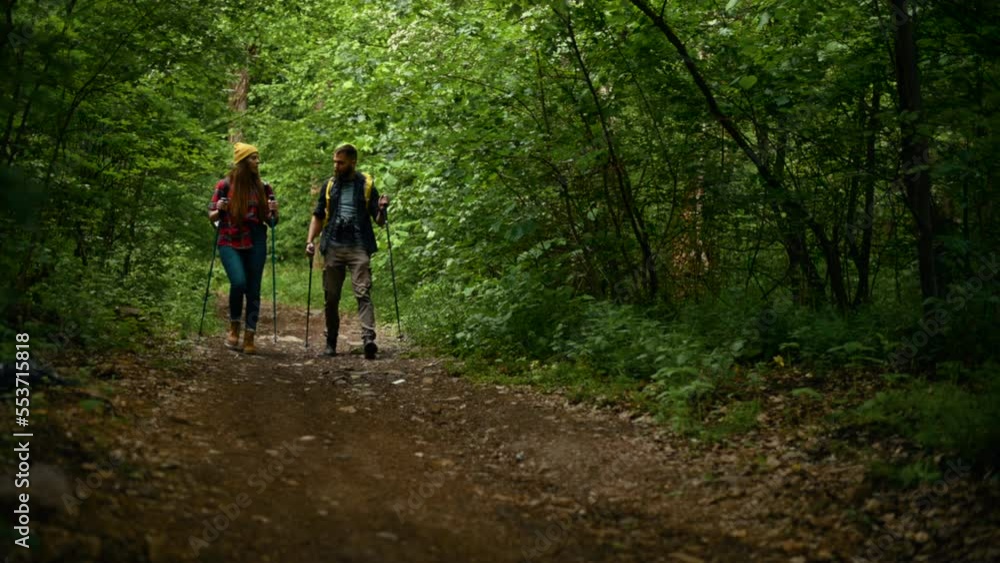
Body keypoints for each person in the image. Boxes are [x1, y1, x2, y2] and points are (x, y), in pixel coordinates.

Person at [305, 143, 389, 359]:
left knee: (363, 292)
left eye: (340, 162)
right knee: (331, 297)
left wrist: (383, 209)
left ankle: (368, 339)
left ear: (353, 162)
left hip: (359, 246)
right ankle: (331, 342)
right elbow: (318, 215)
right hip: (333, 246)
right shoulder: (329, 185)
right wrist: (310, 241)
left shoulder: (367, 185)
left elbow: (379, 221)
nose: (336, 166)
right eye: (335, 162)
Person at [208, 142, 279, 354]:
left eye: (257, 158)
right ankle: (234, 327)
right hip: (230, 237)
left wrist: (274, 212)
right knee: (238, 282)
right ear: (242, 162)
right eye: (253, 158)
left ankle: (250, 335)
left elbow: (272, 222)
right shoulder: (225, 185)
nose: (257, 162)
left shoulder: (264, 187)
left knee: (254, 289)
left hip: (256, 239)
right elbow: (211, 217)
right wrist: (219, 209)